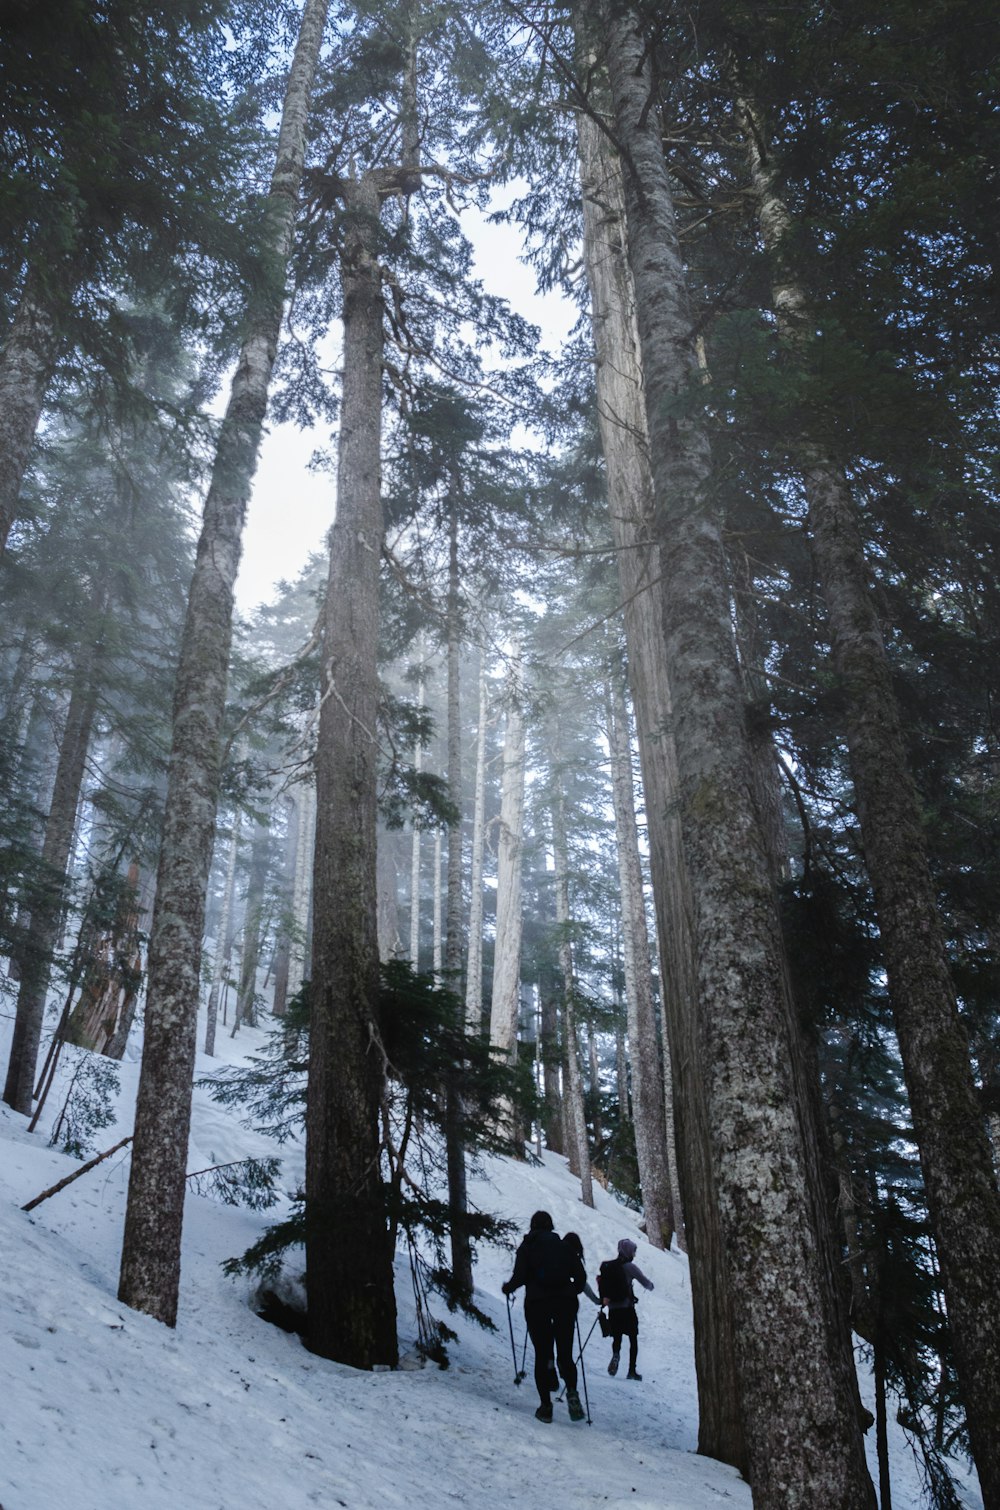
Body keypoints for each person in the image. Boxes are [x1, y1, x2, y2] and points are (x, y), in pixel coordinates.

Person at [502, 1210, 587, 1423]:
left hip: (538, 1304)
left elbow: (520, 1276)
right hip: (565, 1304)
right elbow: (581, 1277)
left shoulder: (527, 1246)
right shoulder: (565, 1247)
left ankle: (546, 1406)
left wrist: (508, 1288)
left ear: (533, 1226)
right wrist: (570, 1291)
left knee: (543, 1353)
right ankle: (572, 1392)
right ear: (551, 1226)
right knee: (565, 1354)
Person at [598, 1236, 654, 1380]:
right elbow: (645, 1282)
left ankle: (616, 1355)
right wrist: (651, 1286)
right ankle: (631, 1371)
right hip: (627, 1308)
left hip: (613, 1309)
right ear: (628, 1252)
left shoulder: (610, 1267)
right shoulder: (629, 1267)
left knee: (617, 1338)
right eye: (633, 1252)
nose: (634, 1255)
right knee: (633, 1338)